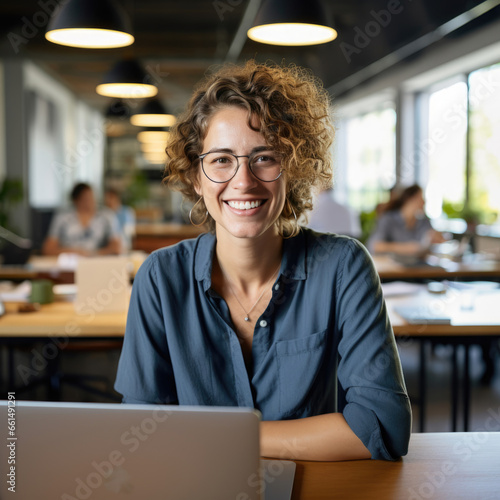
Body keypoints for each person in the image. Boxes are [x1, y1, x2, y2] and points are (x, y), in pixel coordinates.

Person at [114, 61, 411, 461]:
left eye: (264, 157)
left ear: (292, 168)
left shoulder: (343, 267)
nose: (243, 181)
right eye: (221, 160)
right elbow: (142, 433)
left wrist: (225, 441)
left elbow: (383, 425)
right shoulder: (161, 277)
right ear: (197, 177)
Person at [43, 182, 121, 256]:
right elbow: (48, 249)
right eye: (85, 198)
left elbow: (116, 248)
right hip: (69, 262)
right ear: (76, 200)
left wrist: (91, 254)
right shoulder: (63, 217)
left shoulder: (107, 216)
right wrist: (74, 253)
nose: (89, 201)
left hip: (97, 261)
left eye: (91, 197)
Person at [368, 184, 445, 255]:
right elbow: (375, 246)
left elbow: (435, 242)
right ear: (410, 199)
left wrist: (436, 239)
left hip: (418, 266)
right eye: (421, 198)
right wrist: (405, 248)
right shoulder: (388, 219)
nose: (424, 202)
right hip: (391, 266)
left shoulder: (424, 221)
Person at [104, 187, 136, 252]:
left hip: (124, 248)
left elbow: (129, 233)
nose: (108, 201)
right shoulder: (105, 214)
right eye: (106, 198)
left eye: (111, 198)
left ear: (117, 198)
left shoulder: (126, 212)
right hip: (108, 248)